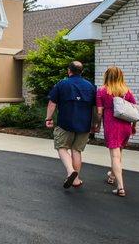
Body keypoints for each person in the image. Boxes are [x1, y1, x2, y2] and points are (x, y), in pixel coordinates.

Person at [45, 61, 96, 189]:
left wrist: (48, 118)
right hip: (84, 125)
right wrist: (95, 123)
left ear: (69, 71)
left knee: (61, 147)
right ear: (82, 71)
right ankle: (76, 179)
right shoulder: (90, 86)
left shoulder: (62, 84)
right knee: (76, 150)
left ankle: (70, 171)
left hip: (65, 123)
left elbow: (52, 103)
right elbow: (95, 107)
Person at [94, 66, 138, 197]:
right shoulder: (127, 91)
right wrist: (134, 126)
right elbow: (134, 110)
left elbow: (100, 112)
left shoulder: (102, 91)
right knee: (118, 154)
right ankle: (112, 176)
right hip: (126, 126)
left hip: (112, 126)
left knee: (115, 156)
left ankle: (120, 187)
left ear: (107, 76)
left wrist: (97, 125)